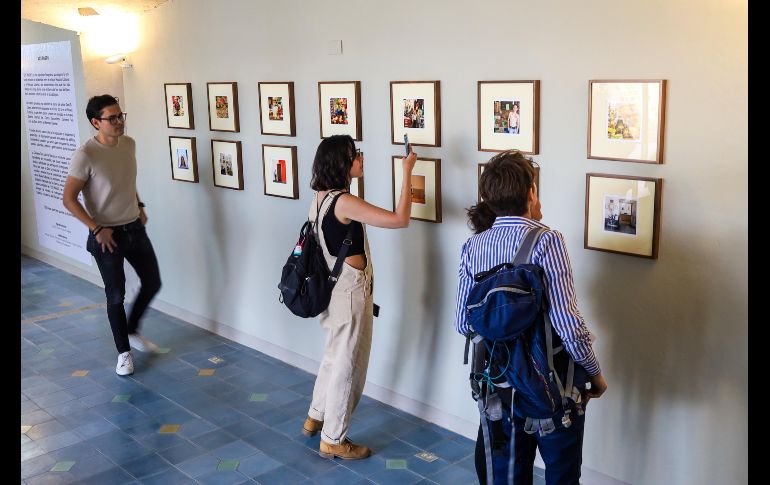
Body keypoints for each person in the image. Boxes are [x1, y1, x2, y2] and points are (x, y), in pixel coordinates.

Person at [454, 150, 608, 484]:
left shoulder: (473, 246)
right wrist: (595, 374)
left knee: (509, 476)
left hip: (496, 386)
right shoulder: (547, 240)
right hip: (550, 386)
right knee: (561, 475)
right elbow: (569, 325)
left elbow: (462, 323)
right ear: (531, 193)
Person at [302, 134, 417, 460]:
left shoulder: (320, 197)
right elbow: (400, 219)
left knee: (333, 357)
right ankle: (334, 438)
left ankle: (316, 416)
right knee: (348, 366)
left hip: (332, 290)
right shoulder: (344, 202)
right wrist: (407, 171)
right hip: (350, 293)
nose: (361, 159)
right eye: (355, 155)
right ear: (341, 163)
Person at [62, 94, 162, 377]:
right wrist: (96, 228)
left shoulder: (128, 145)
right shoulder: (86, 155)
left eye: (121, 116)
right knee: (115, 294)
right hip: (106, 235)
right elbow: (68, 199)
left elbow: (126, 182)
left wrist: (139, 205)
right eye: (112, 118)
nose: (119, 122)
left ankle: (131, 330)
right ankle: (123, 353)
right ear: (96, 122)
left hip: (134, 226)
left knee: (152, 282)